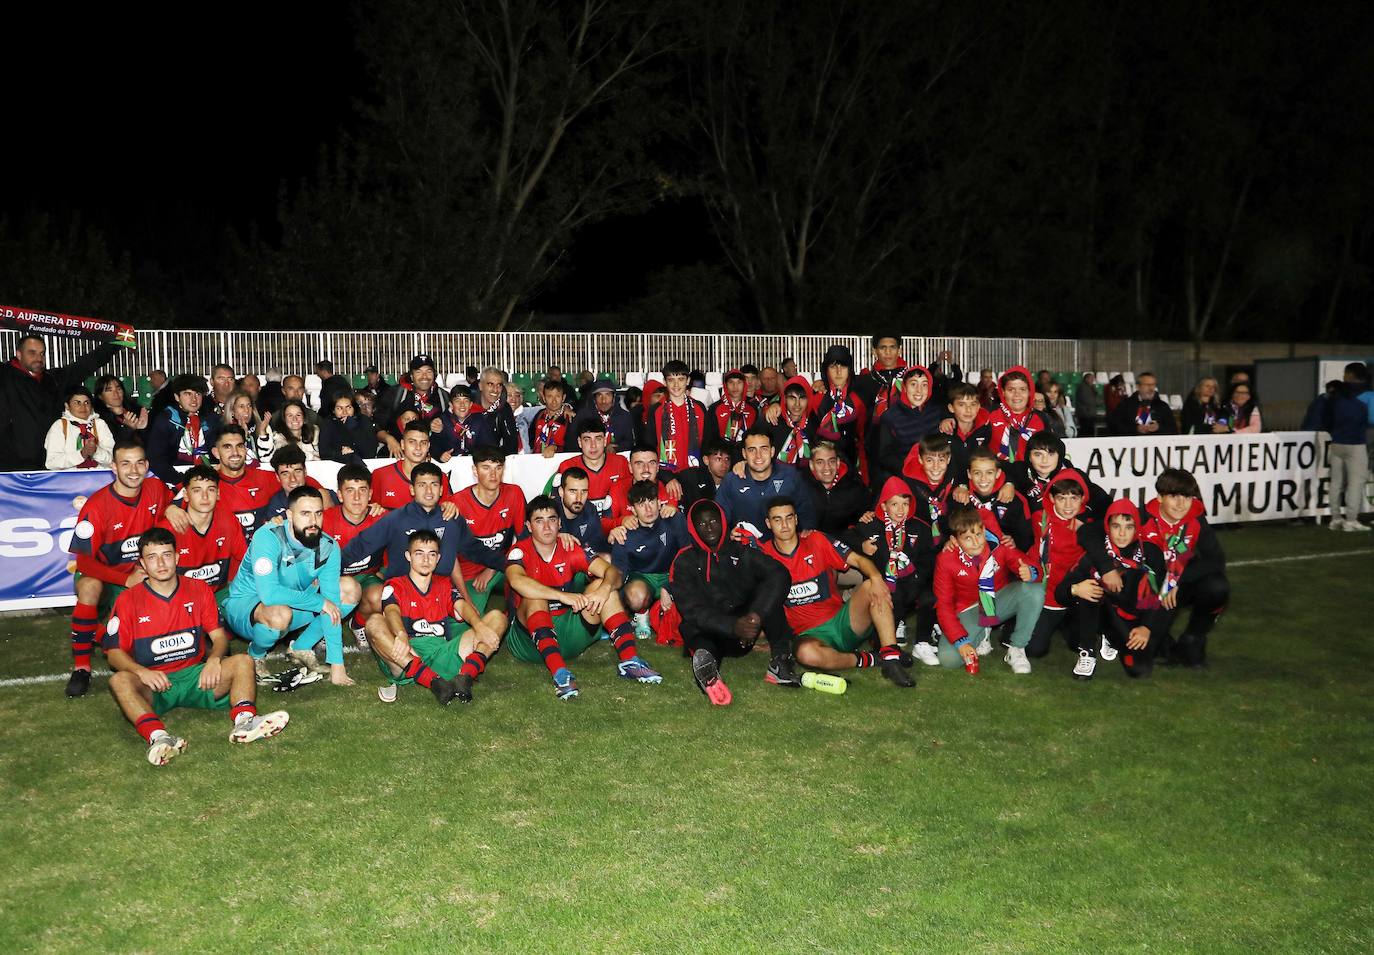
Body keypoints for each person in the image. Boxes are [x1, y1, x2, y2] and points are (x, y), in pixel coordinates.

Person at [103, 528, 289, 766]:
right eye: (152, 557)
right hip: (155, 682)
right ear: (142, 563)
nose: (161, 563)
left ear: (177, 558)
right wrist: (142, 672)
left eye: (167, 555)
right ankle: (160, 738)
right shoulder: (128, 600)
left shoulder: (199, 589)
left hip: (196, 677)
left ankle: (245, 721)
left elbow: (219, 637)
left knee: (243, 661)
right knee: (119, 680)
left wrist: (213, 660)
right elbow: (114, 654)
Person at [505, 495, 662, 700]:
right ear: (528, 525)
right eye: (539, 520)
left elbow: (612, 572)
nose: (547, 526)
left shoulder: (571, 548)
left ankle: (630, 661)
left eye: (552, 519)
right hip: (530, 643)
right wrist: (563, 597)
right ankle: (560, 675)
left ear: (560, 523)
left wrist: (604, 589)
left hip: (571, 631)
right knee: (535, 598)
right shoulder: (519, 551)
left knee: (601, 585)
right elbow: (517, 581)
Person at [762, 497, 913, 687]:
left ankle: (891, 660)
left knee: (872, 585)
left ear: (797, 519)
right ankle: (871, 659)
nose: (784, 525)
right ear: (768, 523)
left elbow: (859, 560)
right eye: (777, 519)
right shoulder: (763, 556)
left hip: (844, 621)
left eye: (789, 518)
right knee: (806, 654)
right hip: (811, 635)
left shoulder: (816, 539)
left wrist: (875, 577)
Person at [64, 440, 176, 697]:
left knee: (139, 649)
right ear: (114, 467)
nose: (133, 470)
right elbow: (83, 562)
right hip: (106, 575)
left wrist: (171, 507)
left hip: (142, 574)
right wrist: (124, 581)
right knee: (89, 588)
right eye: (125, 463)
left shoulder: (156, 488)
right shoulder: (96, 507)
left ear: (147, 466)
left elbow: (176, 498)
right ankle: (81, 667)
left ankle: (97, 632)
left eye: (139, 463)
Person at [222, 485, 360, 688]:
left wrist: (337, 663)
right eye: (305, 514)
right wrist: (319, 601)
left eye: (318, 514)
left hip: (291, 605)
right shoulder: (268, 536)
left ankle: (301, 647)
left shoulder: (328, 546)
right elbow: (269, 595)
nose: (313, 522)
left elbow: (332, 604)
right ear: (289, 514)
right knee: (280, 614)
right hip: (244, 608)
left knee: (349, 589)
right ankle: (256, 655)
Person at [670, 499, 800, 703]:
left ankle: (780, 663)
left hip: (747, 630)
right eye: (701, 524)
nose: (709, 527)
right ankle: (708, 670)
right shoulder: (684, 561)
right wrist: (732, 626)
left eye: (713, 521)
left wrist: (756, 615)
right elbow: (691, 609)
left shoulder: (741, 551)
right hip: (713, 631)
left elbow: (779, 573)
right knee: (696, 631)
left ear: (723, 521)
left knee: (769, 592)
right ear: (693, 529)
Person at [365, 530, 508, 705]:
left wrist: (480, 627)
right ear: (408, 556)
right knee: (373, 622)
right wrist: (401, 634)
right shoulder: (395, 584)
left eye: (431, 554)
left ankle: (466, 677)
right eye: (419, 554)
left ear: (438, 558)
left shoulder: (444, 584)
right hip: (406, 656)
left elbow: (462, 606)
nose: (426, 560)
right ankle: (432, 681)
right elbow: (391, 611)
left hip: (442, 653)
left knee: (497, 617)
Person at [1056, 498, 1168, 680]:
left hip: (1128, 614)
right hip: (1095, 611)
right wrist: (1076, 589)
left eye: (1129, 527)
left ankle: (1110, 636)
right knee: (1090, 587)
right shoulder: (1096, 554)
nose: (1122, 534)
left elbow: (1158, 595)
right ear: (1107, 527)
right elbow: (1060, 593)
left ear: (1137, 528)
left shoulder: (1150, 553)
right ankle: (1087, 651)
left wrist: (1146, 626)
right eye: (1116, 526)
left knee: (1139, 669)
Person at [932, 505, 1043, 674]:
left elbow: (1036, 569)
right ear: (955, 540)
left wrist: (1031, 572)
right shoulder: (946, 559)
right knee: (949, 659)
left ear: (984, 529)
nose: (976, 542)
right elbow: (944, 605)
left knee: (1034, 591)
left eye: (978, 534)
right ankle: (982, 632)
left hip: (998, 600)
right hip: (968, 609)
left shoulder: (1000, 545)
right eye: (968, 538)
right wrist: (961, 642)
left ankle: (1017, 649)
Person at [844, 478, 939, 666]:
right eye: (894, 504)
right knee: (890, 601)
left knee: (929, 597)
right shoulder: (871, 524)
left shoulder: (919, 527)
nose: (900, 509)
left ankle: (922, 642)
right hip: (884, 586)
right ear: (884, 505)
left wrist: (917, 578)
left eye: (905, 504)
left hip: (911, 582)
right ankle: (885, 643)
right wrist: (861, 544)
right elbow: (845, 537)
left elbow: (928, 558)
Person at [1140, 468, 1228, 667]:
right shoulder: (1141, 519)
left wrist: (1176, 580)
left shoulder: (1196, 519)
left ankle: (1193, 640)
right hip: (1149, 584)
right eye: (1174, 496)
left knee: (1217, 587)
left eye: (1187, 497)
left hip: (1179, 584)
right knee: (1144, 653)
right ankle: (1159, 639)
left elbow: (1216, 560)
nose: (1181, 504)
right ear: (1160, 497)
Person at [1, 332, 120, 471]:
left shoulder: (53, 380)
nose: (38, 358)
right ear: (19, 354)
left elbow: (85, 365)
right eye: (32, 353)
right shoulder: (4, 376)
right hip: (11, 467)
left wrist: (116, 343)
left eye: (42, 353)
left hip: (51, 466)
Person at [1025, 471, 1099, 661]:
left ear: (1083, 499)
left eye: (1074, 498)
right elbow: (1022, 542)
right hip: (1047, 595)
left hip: (1076, 594)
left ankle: (1074, 626)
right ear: (1051, 497)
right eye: (1062, 498)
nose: (1068, 505)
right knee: (1034, 650)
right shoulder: (1038, 519)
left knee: (1080, 644)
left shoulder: (1088, 525)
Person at [444, 445, 526, 614]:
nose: (493, 474)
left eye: (498, 468)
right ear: (475, 470)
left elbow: (525, 540)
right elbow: (449, 556)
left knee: (530, 577)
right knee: (469, 618)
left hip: (501, 564)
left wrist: (491, 569)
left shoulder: (514, 493)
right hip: (470, 574)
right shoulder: (457, 503)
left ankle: (517, 621)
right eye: (486, 468)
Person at [156, 465, 247, 613]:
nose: (205, 497)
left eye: (210, 490)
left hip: (219, 595)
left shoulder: (228, 521)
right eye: (197, 490)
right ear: (185, 495)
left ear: (218, 494)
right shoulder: (168, 529)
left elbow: (245, 560)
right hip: (181, 602)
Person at [611, 480, 693, 641]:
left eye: (651, 502)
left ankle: (659, 608)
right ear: (633, 510)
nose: (648, 509)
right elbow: (619, 572)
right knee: (635, 596)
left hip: (671, 575)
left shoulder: (674, 519)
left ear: (659, 502)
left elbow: (688, 557)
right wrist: (618, 602)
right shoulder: (624, 533)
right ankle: (641, 614)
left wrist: (669, 588)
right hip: (643, 577)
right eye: (641, 505)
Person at [716, 427, 816, 540]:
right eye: (752, 450)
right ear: (744, 453)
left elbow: (806, 510)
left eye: (763, 449)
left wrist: (808, 529)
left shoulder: (790, 476)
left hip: (784, 551)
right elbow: (719, 518)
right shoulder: (731, 481)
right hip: (746, 551)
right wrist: (728, 536)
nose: (758, 455)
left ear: (772, 451)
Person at [1004, 431, 1111, 517]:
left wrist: (1088, 527)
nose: (1044, 461)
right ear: (1029, 457)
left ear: (1059, 456)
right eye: (1038, 454)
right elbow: (997, 466)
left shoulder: (1074, 476)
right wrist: (1009, 483)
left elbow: (1104, 503)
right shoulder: (1019, 471)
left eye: (1051, 454)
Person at [552, 419, 632, 533]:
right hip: (580, 534)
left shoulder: (621, 463)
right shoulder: (567, 466)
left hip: (618, 532)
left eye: (598, 439)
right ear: (579, 442)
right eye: (587, 439)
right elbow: (555, 508)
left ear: (605, 441)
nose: (593, 445)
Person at [874, 365, 944, 488]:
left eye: (924, 385)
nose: (919, 390)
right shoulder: (890, 417)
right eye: (913, 384)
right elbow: (885, 456)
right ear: (905, 387)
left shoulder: (938, 412)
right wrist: (912, 469)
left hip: (936, 479)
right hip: (904, 480)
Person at [955, 447, 1034, 552]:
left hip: (1003, 557)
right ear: (969, 474)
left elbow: (1026, 538)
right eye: (977, 473)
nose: (983, 478)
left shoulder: (1015, 500)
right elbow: (951, 531)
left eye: (989, 472)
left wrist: (1015, 542)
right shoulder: (960, 496)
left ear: (998, 473)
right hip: (968, 558)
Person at [206, 425, 279, 537]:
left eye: (239, 446)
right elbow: (178, 496)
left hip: (259, 550)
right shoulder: (204, 483)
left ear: (245, 449)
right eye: (227, 447)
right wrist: (172, 509)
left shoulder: (264, 478)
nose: (235, 452)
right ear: (216, 453)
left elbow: (296, 480)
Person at [810, 345, 870, 480]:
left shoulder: (858, 401)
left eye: (843, 366)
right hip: (821, 471)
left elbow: (862, 440)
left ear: (850, 370)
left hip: (852, 470)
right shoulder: (817, 398)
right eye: (833, 366)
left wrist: (864, 476)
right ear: (826, 370)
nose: (838, 372)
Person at [146, 374, 217, 486]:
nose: (194, 399)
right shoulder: (167, 419)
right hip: (174, 480)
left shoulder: (211, 419)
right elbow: (155, 459)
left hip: (208, 478)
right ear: (177, 397)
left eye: (198, 394)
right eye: (188, 394)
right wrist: (180, 481)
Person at [1324, 363, 1371, 531]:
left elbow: (1327, 417)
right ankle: (1351, 520)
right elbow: (1372, 419)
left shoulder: (1336, 394)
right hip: (1356, 443)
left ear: (1350, 374)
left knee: (1336, 482)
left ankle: (1335, 518)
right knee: (1355, 482)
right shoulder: (1367, 394)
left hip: (1337, 442)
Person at [377, 354, 448, 454]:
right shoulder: (395, 394)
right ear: (411, 376)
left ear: (434, 374)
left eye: (429, 371)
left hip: (434, 457)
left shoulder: (444, 397)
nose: (424, 376)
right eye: (419, 372)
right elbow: (378, 427)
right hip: (399, 455)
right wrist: (389, 439)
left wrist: (443, 427)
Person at [644, 360, 707, 471]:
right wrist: (666, 477)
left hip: (696, 472)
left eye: (681, 379)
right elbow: (650, 447)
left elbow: (707, 443)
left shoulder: (699, 408)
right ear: (664, 382)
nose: (676, 385)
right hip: (666, 474)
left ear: (688, 381)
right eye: (671, 380)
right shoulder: (656, 410)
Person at [371, 420, 451, 507]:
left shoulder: (440, 477)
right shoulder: (381, 475)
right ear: (402, 444)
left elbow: (447, 510)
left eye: (423, 443)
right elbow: (371, 512)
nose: (418, 447)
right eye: (412, 442)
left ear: (428, 446)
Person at [800, 441, 869, 536]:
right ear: (811, 465)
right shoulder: (800, 486)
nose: (827, 467)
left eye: (831, 461)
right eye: (820, 462)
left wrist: (866, 516)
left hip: (847, 543)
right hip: (812, 543)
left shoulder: (854, 486)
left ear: (838, 463)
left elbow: (866, 518)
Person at [899, 433, 957, 545]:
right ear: (920, 460)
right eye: (929, 460)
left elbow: (963, 479)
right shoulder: (908, 481)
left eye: (941, 460)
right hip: (919, 530)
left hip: (946, 529)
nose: (936, 467)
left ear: (948, 459)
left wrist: (962, 486)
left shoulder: (954, 470)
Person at [985, 366, 1051, 463]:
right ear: (1003, 392)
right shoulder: (990, 415)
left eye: (1022, 389)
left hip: (1029, 475)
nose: (1017, 394)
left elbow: (1051, 448)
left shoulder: (1041, 418)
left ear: (1029, 392)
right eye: (1011, 390)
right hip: (997, 475)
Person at [45, 385, 114, 470]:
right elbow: (52, 463)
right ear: (67, 406)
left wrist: (96, 451)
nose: (83, 407)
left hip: (99, 478)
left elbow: (113, 459)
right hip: (68, 480)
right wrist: (81, 454)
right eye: (77, 402)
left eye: (86, 402)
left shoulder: (100, 424)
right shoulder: (59, 426)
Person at [552, 467, 610, 554]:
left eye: (584, 491)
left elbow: (599, 547)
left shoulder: (590, 510)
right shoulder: (548, 511)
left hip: (580, 561)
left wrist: (612, 538)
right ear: (561, 492)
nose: (579, 498)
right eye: (573, 491)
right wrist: (554, 537)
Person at [856, 334, 908, 428]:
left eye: (892, 347)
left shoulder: (911, 379)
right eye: (883, 348)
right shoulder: (864, 381)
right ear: (874, 352)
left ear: (899, 351)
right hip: (873, 439)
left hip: (906, 438)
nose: (888, 352)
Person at [942, 382, 992, 478]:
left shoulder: (985, 429)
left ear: (978, 407)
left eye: (973, 404)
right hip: (948, 486)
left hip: (976, 484)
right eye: (961, 405)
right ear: (951, 408)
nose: (968, 410)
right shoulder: (944, 431)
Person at [706, 368, 757, 458]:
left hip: (746, 458)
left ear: (744, 385)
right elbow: (709, 438)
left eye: (739, 382)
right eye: (731, 382)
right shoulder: (715, 408)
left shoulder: (752, 409)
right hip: (721, 458)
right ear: (725, 385)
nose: (735, 386)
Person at [1107, 372, 1177, 437]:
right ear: (1138, 386)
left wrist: (1159, 427)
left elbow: (1173, 430)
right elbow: (1114, 426)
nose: (1151, 388)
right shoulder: (1125, 405)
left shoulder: (1163, 407)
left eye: (1153, 385)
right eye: (1148, 385)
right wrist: (1135, 429)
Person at [573, 379, 636, 450]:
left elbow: (630, 442)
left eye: (608, 395)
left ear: (614, 397)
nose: (603, 401)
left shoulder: (625, 416)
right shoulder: (583, 416)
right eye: (599, 395)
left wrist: (617, 447)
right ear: (594, 398)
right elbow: (572, 442)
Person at [471, 367, 520, 454]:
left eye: (499, 385)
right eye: (490, 384)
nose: (495, 390)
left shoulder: (504, 408)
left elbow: (511, 444)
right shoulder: (468, 406)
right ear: (480, 386)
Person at [673, 438, 732, 509]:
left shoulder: (732, 482)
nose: (724, 464)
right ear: (706, 460)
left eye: (727, 459)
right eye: (718, 459)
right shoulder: (692, 478)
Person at [769, 375, 814, 465]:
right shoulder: (772, 421)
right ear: (785, 399)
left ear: (809, 399)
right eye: (792, 398)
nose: (797, 404)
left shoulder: (815, 424)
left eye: (802, 398)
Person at [93, 373, 148, 444]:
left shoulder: (136, 411)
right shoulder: (99, 419)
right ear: (100, 396)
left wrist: (142, 429)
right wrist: (128, 428)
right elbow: (112, 445)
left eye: (118, 389)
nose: (116, 393)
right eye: (109, 390)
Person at [318, 393, 370, 465]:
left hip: (363, 466)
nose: (345, 412)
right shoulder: (328, 423)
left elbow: (369, 452)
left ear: (354, 408)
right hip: (335, 465)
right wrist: (341, 453)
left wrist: (353, 428)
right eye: (339, 408)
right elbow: (324, 452)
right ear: (333, 410)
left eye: (348, 408)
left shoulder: (363, 421)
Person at [221, 388, 268, 465]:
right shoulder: (225, 432)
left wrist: (263, 433)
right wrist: (244, 435)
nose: (246, 410)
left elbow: (268, 458)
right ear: (232, 410)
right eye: (241, 406)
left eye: (249, 406)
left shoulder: (262, 426)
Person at [435, 385, 481, 460]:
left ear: (471, 405)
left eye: (466, 401)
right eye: (457, 401)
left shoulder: (479, 421)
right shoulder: (442, 421)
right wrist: (440, 455)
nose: (462, 405)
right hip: (449, 464)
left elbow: (489, 446)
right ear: (451, 405)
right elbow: (434, 444)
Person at [530, 379, 574, 455]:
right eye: (550, 396)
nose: (554, 401)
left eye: (557, 396)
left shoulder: (569, 417)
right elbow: (531, 438)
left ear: (563, 398)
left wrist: (556, 447)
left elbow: (572, 446)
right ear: (544, 398)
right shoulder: (539, 415)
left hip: (560, 463)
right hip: (537, 461)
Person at [508, 382, 539, 454]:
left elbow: (549, 408)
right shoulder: (497, 415)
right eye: (509, 395)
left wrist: (565, 407)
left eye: (517, 395)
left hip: (525, 457)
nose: (513, 399)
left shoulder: (526, 413)